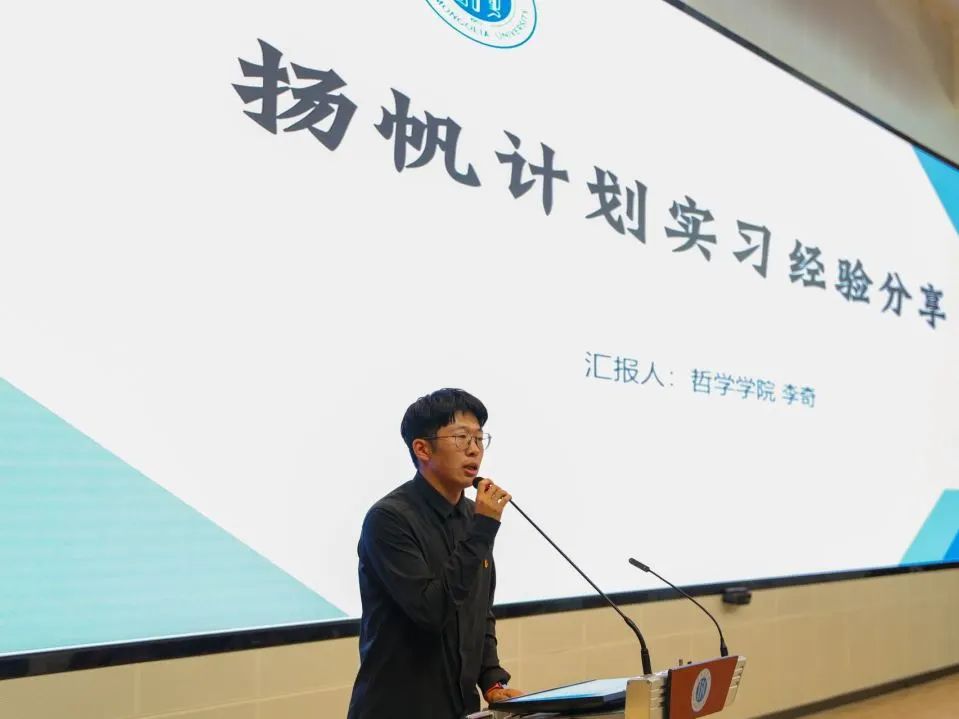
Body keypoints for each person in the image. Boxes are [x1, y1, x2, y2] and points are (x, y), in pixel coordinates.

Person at [347, 388, 524, 719]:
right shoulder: (389, 519)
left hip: (461, 707)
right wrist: (483, 530)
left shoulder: (473, 516)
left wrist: (491, 680)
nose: (474, 449)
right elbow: (432, 611)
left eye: (479, 438)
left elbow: (478, 609)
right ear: (422, 448)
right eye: (460, 437)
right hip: (399, 709)